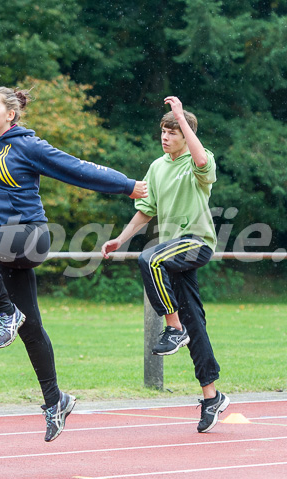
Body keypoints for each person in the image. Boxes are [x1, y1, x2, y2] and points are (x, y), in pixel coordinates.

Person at [0, 25, 148, 442]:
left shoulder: (27, 146)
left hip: (31, 238)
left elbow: (79, 168)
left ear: (10, 114)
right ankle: (56, 400)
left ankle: (5, 313)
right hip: (1, 247)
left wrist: (127, 185)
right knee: (31, 327)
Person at [102, 96, 229, 433]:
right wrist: (120, 240)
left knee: (150, 257)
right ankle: (211, 396)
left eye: (173, 132)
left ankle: (173, 328)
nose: (166, 136)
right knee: (195, 323)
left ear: (185, 136)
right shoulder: (157, 167)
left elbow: (201, 159)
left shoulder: (198, 163)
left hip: (196, 244)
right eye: (164, 130)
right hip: (175, 253)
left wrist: (183, 118)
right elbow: (145, 211)